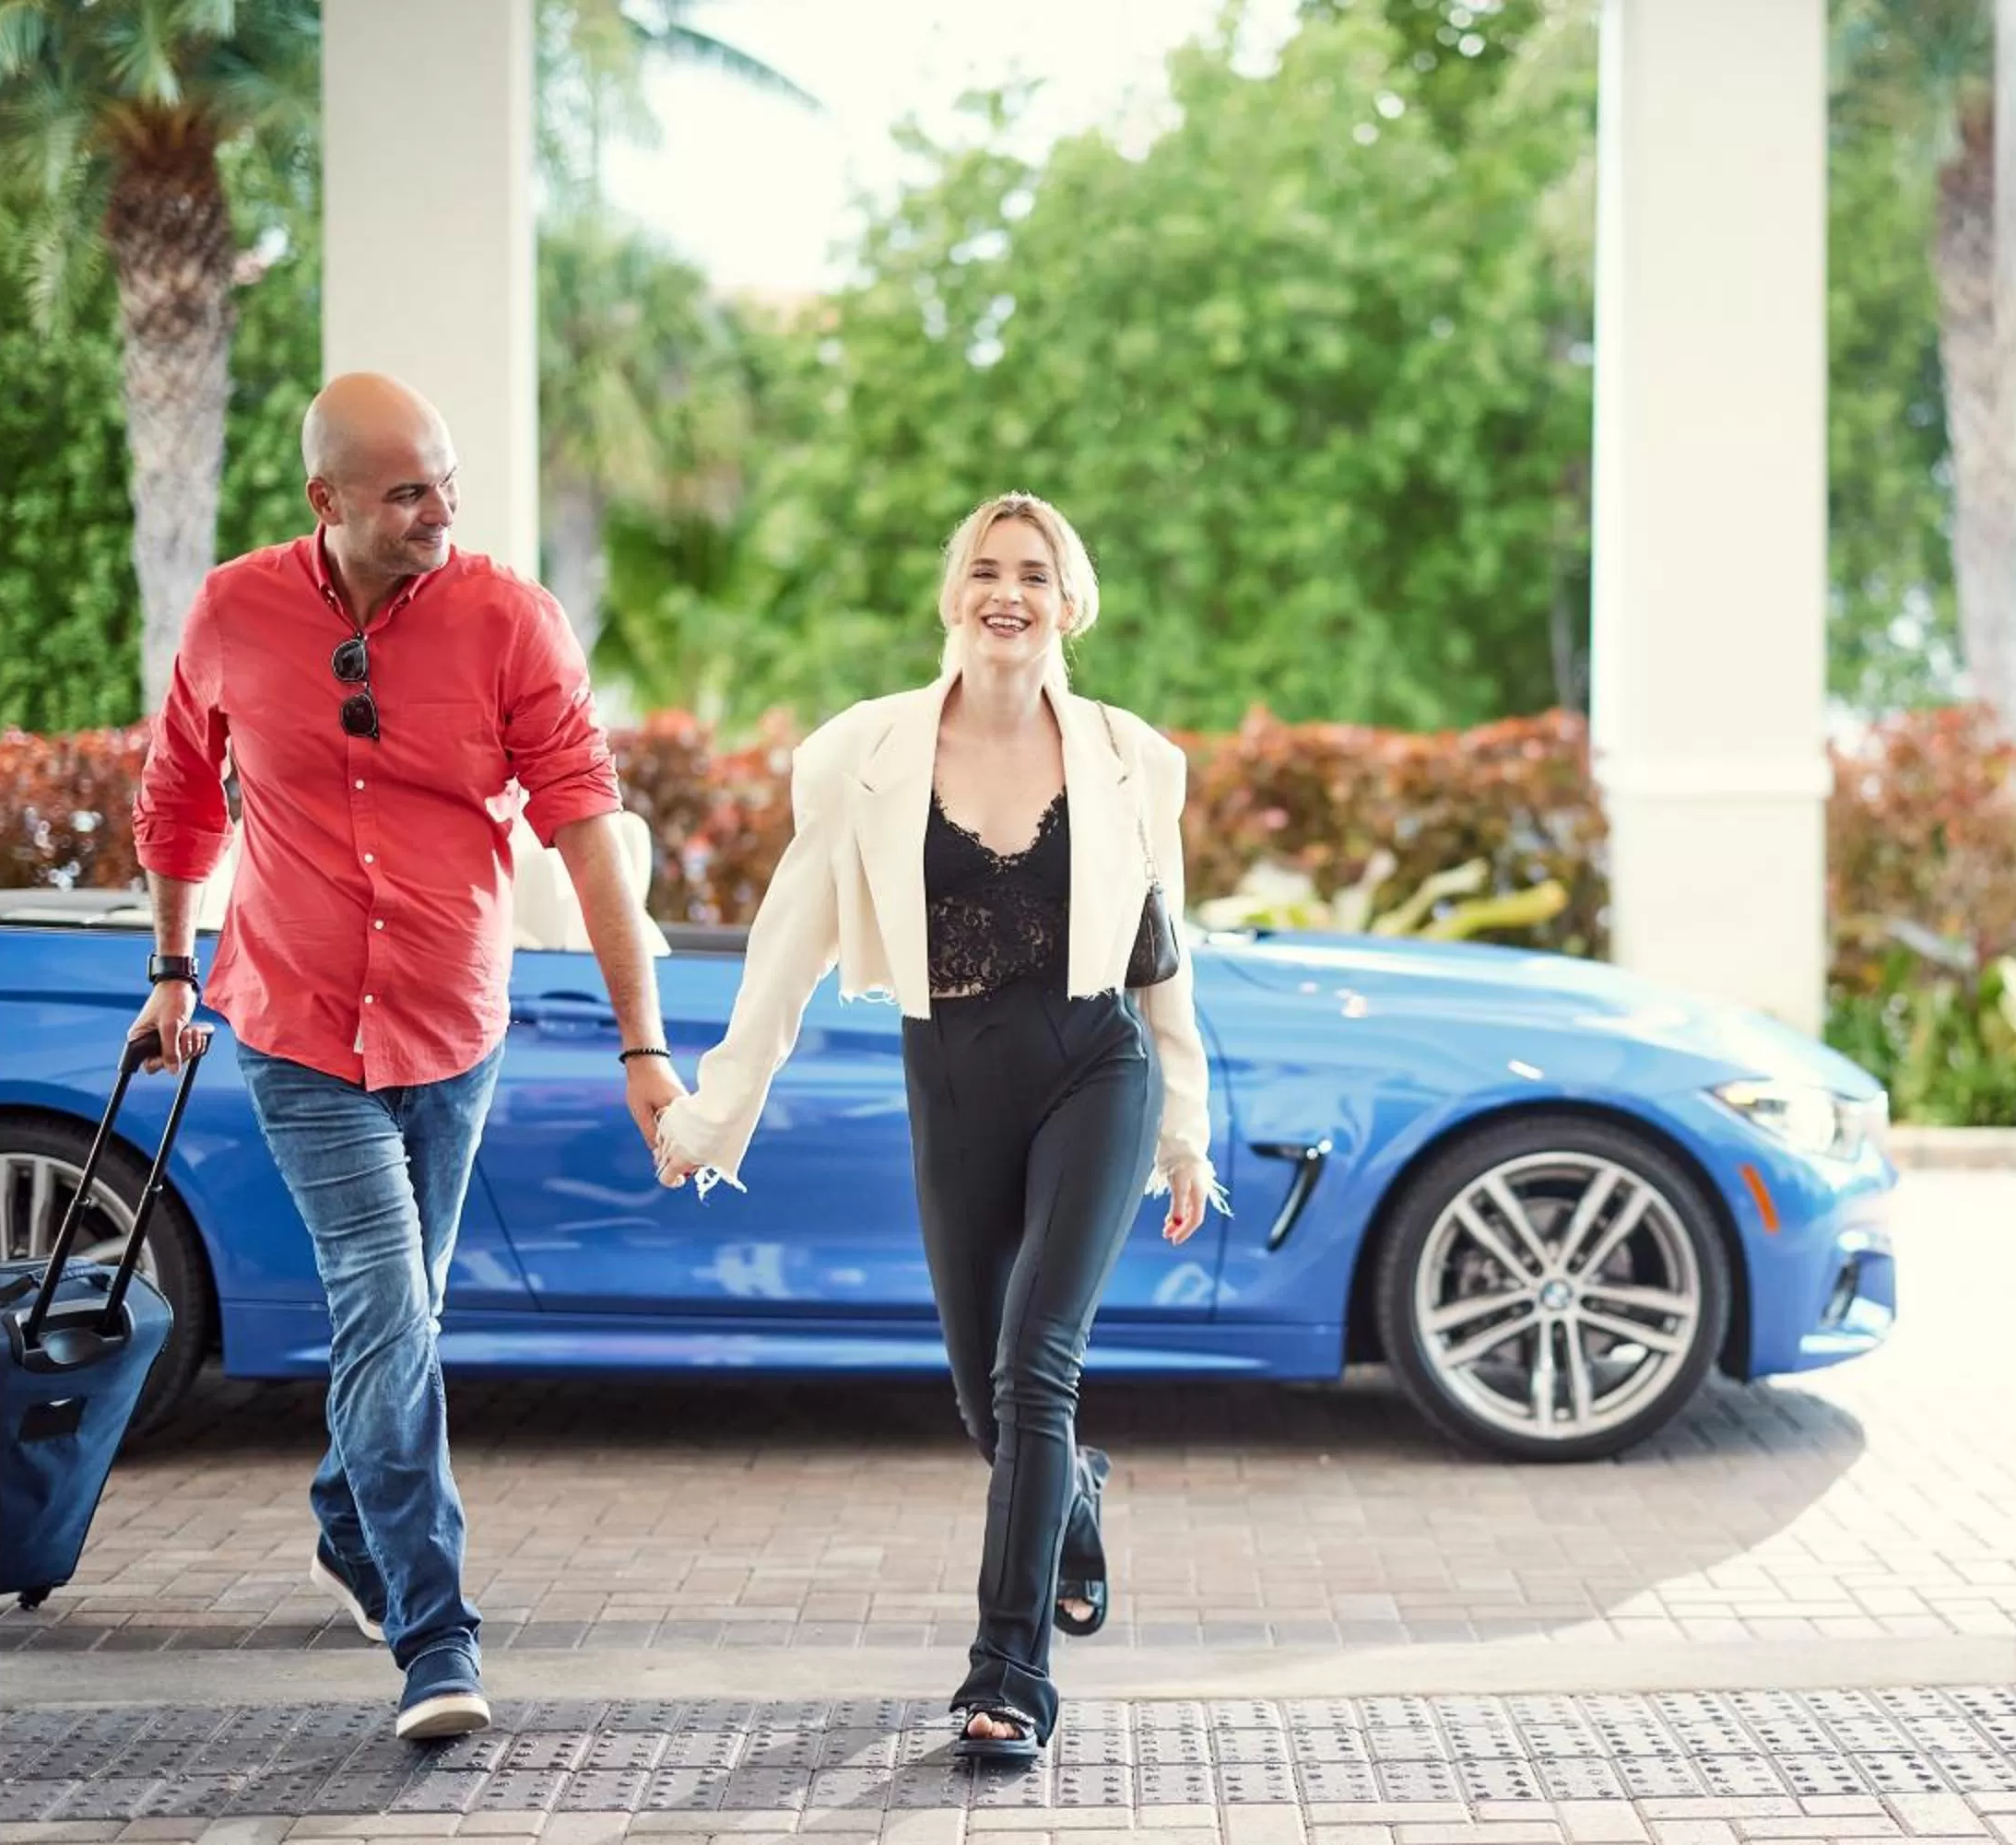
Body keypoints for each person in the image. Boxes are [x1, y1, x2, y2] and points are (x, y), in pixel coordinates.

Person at [128, 373, 686, 1742]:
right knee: (385, 1301)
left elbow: (588, 836)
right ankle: (436, 1635)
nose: (441, 511)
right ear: (323, 499)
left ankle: (344, 1515)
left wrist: (645, 1045)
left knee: (405, 1314)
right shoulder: (235, 613)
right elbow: (182, 794)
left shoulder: (511, 621)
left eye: (446, 482)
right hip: (296, 1026)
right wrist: (172, 970)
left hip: (451, 1030)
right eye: (406, 493)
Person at [653, 491, 1218, 1763]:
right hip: (953, 1074)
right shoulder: (864, 753)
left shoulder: (1134, 759)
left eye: (1034, 573)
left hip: (1096, 1067)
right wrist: (717, 1104)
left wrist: (1183, 1129)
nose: (1007, 593)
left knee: (1037, 1365)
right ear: (953, 593)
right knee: (986, 1398)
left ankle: (1008, 1672)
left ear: (1070, 604)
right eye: (985, 569)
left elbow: (1162, 954)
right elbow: (789, 939)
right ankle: (1073, 1493)